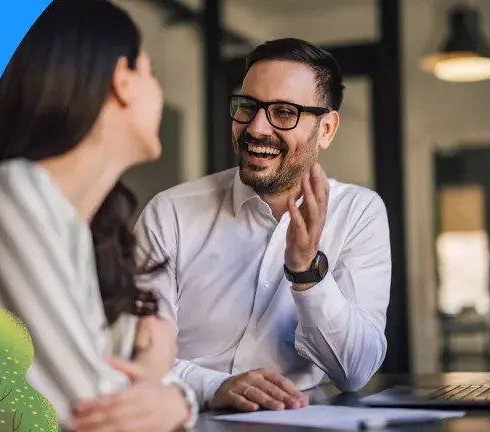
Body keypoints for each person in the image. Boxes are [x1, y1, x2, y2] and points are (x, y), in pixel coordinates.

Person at [0, 1, 197, 430]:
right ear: (121, 81)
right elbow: (94, 411)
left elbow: (137, 384)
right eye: (149, 71)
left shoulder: (89, 232)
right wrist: (172, 391)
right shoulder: (10, 196)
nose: (159, 90)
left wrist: (172, 393)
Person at [134, 38, 392, 412]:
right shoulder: (170, 213)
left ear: (327, 129)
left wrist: (307, 273)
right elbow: (134, 353)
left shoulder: (358, 213)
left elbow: (355, 371)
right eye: (247, 106)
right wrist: (214, 387)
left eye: (284, 112)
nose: (256, 128)